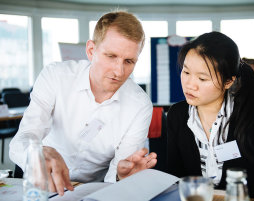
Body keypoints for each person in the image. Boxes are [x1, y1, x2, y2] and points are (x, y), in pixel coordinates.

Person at [9, 11, 157, 196]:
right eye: (111, 56)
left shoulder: (140, 105)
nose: (119, 72)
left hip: (91, 192)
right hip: (42, 184)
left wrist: (121, 175)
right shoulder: (55, 76)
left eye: (129, 61)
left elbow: (119, 172)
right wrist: (36, 152)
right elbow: (21, 140)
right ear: (91, 50)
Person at [166, 32, 254, 200]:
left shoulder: (252, 114)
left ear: (228, 82)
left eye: (202, 78)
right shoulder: (177, 115)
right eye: (186, 72)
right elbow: (173, 178)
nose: (190, 84)